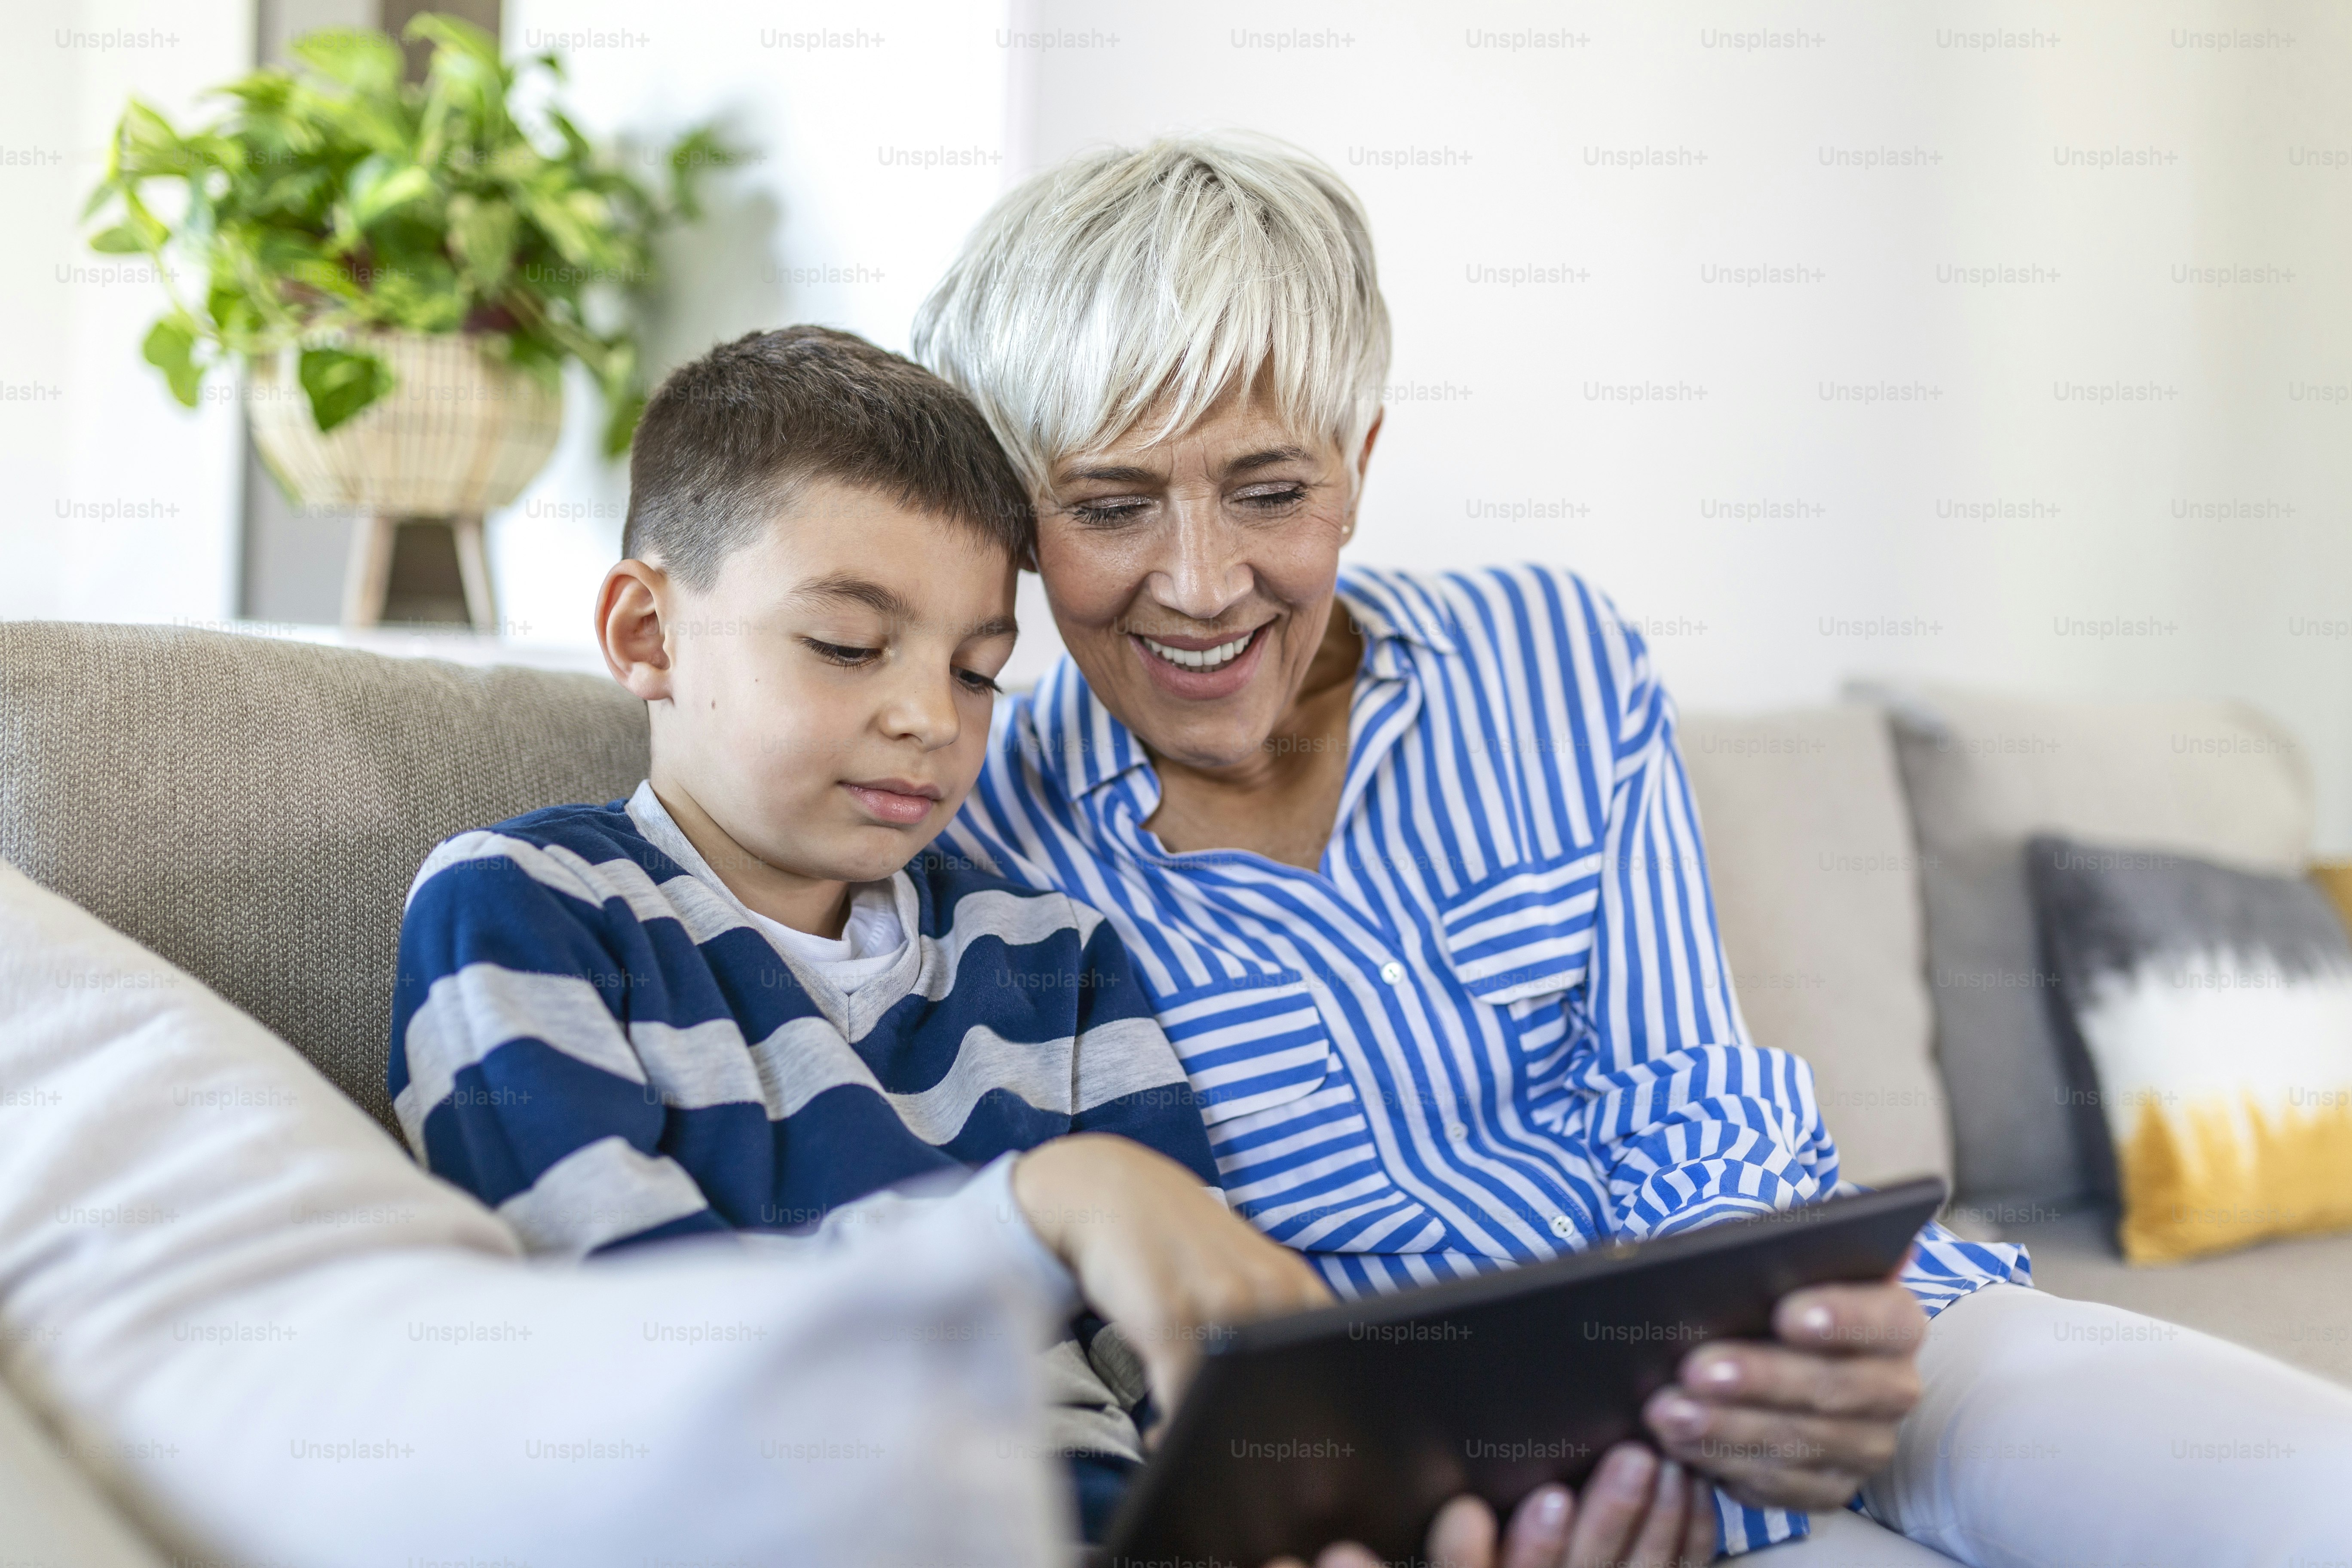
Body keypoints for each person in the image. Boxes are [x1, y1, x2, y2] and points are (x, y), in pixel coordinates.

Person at [914, 133, 2352, 1564]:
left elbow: (1689, 1077)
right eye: (1111, 507)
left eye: (1272, 491)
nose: (1204, 583)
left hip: (1794, 1343)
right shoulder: (978, 839)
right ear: (1019, 527)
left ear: (1358, 462)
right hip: (1454, 1484)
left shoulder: (1554, 652)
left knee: (2296, 1482)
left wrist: (1756, 1361)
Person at [385, 325, 1329, 1543]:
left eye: (980, 670)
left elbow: (1189, 1358)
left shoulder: (1056, 958)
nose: (930, 719)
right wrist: (1028, 1214)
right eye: (846, 645)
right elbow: (624, 1344)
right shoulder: (525, 909)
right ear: (645, 633)